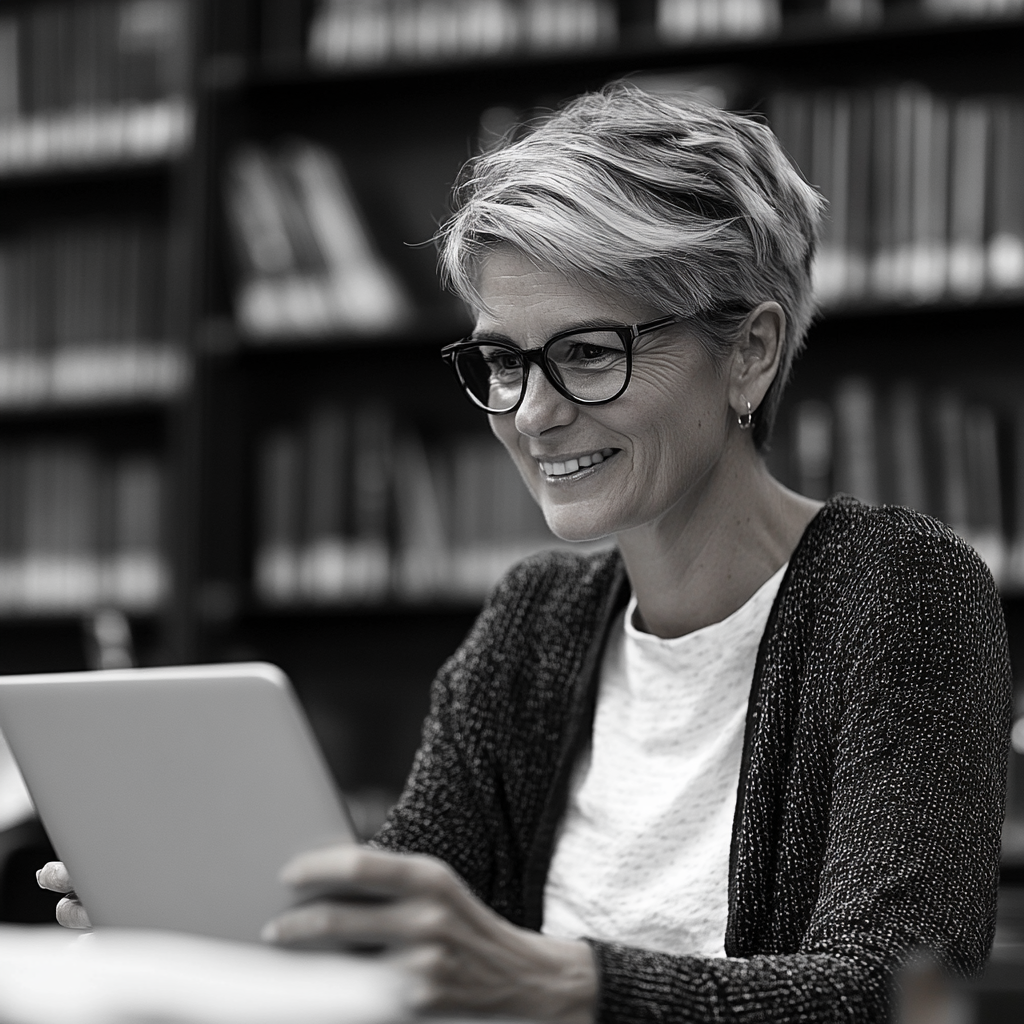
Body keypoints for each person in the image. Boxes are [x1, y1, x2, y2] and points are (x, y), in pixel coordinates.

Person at [40, 83, 1011, 1023]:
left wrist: (569, 986)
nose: (534, 415)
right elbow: (408, 942)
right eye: (504, 361)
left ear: (749, 350)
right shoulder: (536, 618)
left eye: (589, 353)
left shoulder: (902, 592)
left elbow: (892, 989)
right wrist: (212, 928)